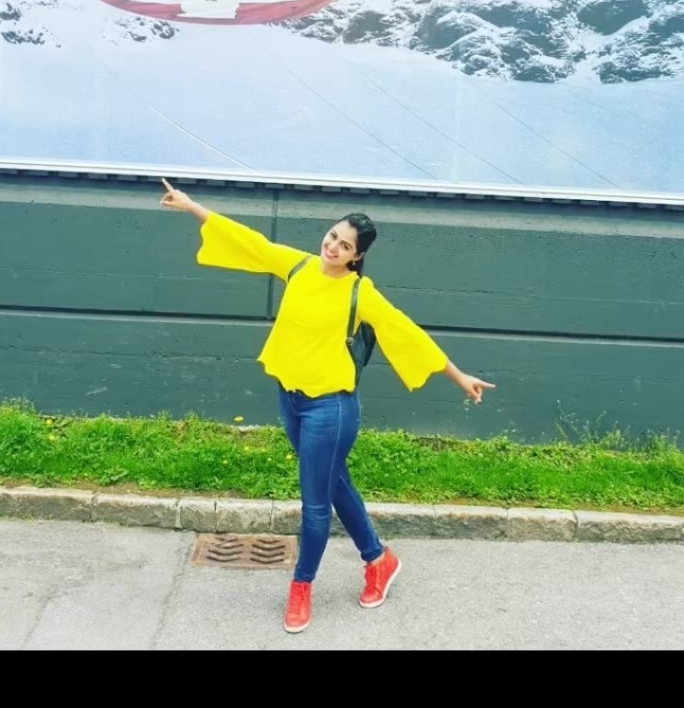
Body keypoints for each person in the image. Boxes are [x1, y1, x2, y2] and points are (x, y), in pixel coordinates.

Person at [160, 178, 496, 634]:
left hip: (331, 409)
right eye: (333, 235)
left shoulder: (360, 293)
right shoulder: (299, 266)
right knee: (335, 484)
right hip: (291, 398)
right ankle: (379, 558)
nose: (333, 246)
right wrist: (191, 206)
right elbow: (250, 243)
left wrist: (459, 376)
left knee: (316, 504)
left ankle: (301, 587)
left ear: (357, 256)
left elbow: (406, 332)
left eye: (345, 245)